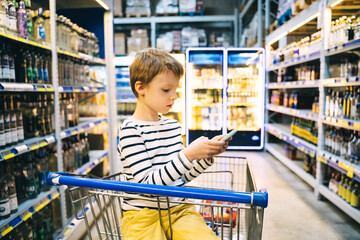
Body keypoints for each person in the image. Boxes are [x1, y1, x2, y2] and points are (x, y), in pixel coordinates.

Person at [117, 48, 230, 240]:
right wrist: (188, 155)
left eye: (175, 90)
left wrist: (204, 156)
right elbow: (148, 185)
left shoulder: (172, 126)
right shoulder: (130, 131)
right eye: (166, 90)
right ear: (141, 88)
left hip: (178, 209)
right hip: (142, 216)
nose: (174, 96)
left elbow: (179, 179)